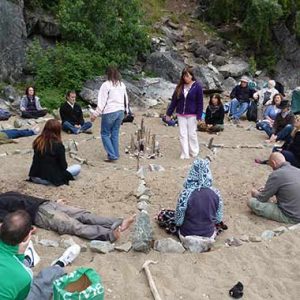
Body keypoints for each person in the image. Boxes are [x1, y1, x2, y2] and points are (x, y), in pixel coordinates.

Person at [0, 210, 80, 300]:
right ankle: (59, 265)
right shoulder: (25, 276)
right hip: (19, 277)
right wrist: (21, 252)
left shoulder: (23, 273)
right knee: (39, 285)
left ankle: (28, 259)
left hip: (12, 266)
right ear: (27, 237)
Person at [0, 191, 135, 242]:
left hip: (46, 205)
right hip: (41, 211)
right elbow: (12, 223)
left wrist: (53, 201)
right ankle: (109, 234)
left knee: (82, 215)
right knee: (74, 225)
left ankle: (119, 222)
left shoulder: (5, 195)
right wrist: (29, 228)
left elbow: (25, 201)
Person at [248, 152, 300, 223]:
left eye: (271, 165)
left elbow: (262, 198)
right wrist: (268, 188)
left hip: (292, 216)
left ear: (273, 163)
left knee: (252, 202)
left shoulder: (277, 174)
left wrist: (255, 193)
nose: (272, 168)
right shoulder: (297, 170)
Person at [90, 67, 129, 162]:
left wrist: (95, 114)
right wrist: (126, 110)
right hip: (120, 111)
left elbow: (102, 102)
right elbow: (126, 99)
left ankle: (112, 155)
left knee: (105, 133)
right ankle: (115, 153)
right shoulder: (122, 84)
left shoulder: (106, 85)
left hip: (110, 111)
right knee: (115, 133)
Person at [28, 119, 81, 186]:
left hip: (34, 176)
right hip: (48, 178)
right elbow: (63, 166)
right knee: (77, 167)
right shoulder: (58, 145)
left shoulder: (38, 141)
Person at [165, 67, 203, 159]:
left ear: (191, 76)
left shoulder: (197, 87)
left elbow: (200, 102)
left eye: (187, 76)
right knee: (182, 134)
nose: (185, 78)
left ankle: (194, 151)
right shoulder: (179, 87)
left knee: (192, 133)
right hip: (181, 114)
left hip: (192, 114)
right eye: (184, 76)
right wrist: (168, 114)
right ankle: (184, 153)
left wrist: (199, 116)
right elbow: (174, 101)